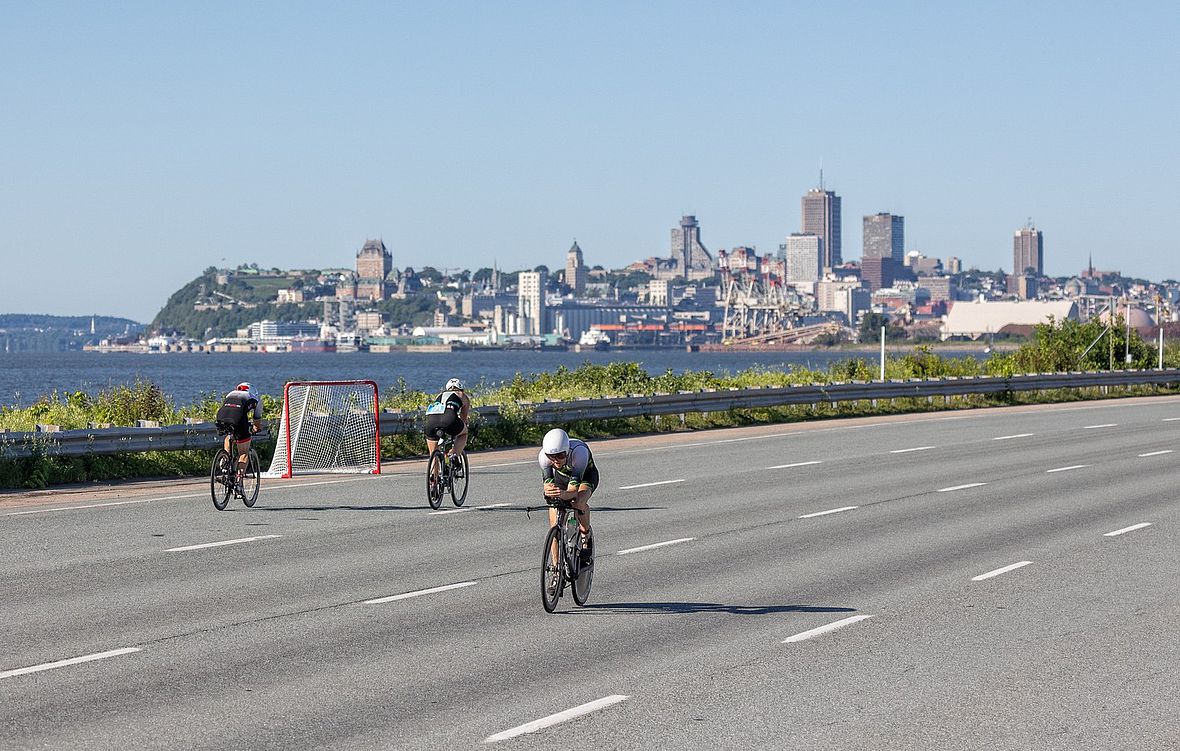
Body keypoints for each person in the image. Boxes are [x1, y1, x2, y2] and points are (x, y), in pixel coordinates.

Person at [538, 428, 597, 563]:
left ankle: (585, 535)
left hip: (585, 477)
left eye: (560, 455)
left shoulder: (579, 452)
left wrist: (563, 494)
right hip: (562, 478)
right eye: (552, 457)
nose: (556, 461)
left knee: (578, 502)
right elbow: (548, 485)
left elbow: (572, 491)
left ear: (567, 450)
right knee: (554, 519)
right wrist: (549, 492)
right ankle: (555, 568)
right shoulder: (543, 457)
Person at [214, 382, 263, 478]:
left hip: (221, 415)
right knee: (244, 453)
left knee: (229, 435)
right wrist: (256, 428)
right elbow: (257, 419)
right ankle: (238, 481)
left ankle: (225, 458)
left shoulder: (230, 393)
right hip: (238, 416)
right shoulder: (255, 399)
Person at [425, 377, 470, 477]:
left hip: (431, 422)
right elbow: (463, 418)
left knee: (433, 453)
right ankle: (454, 455)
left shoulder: (439, 395)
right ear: (461, 388)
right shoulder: (462, 395)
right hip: (449, 419)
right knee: (464, 433)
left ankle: (433, 481)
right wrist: (464, 425)